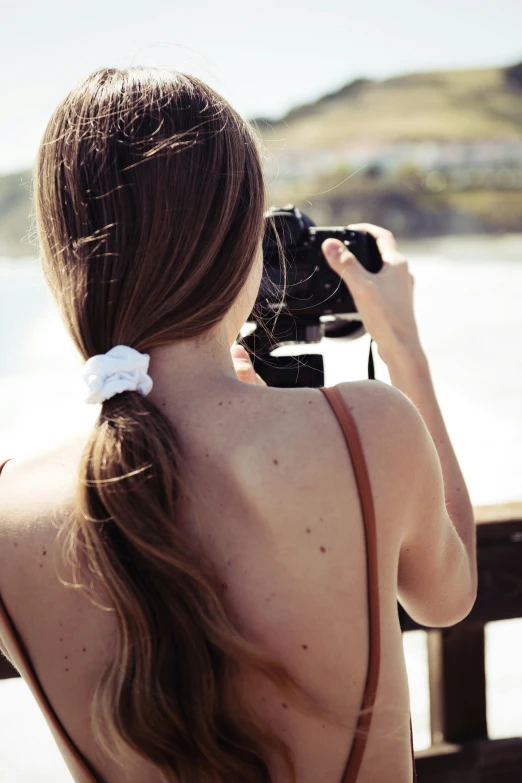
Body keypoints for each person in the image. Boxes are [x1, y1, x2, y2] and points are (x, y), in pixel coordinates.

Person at [0, 66, 477, 783]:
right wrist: (401, 346)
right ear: (238, 247)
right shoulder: (364, 433)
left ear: (66, 261)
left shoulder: (9, 508)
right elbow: (448, 595)